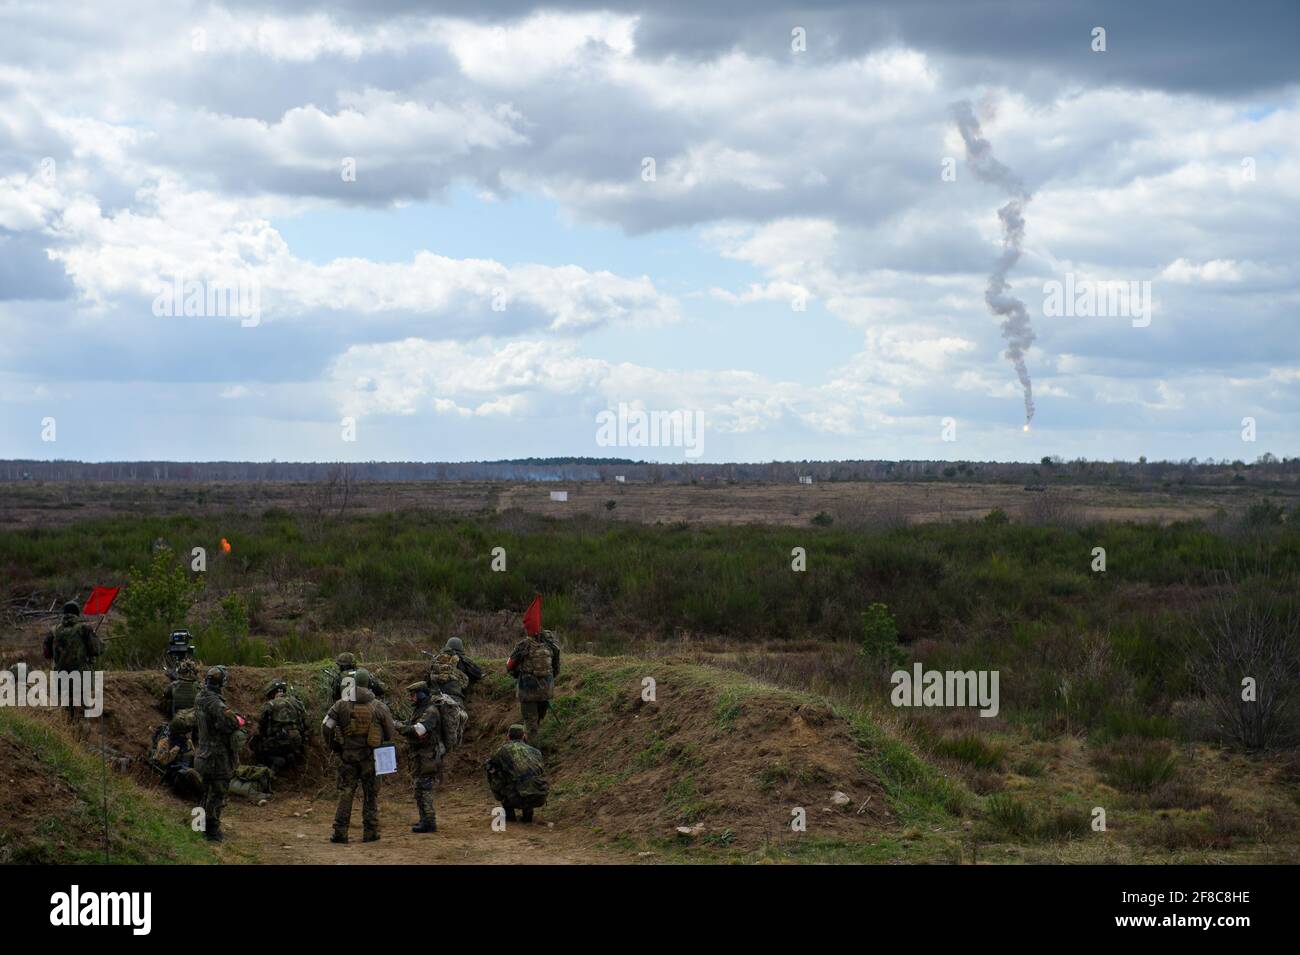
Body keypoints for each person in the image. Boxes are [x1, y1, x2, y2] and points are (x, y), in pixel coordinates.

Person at [321, 668, 396, 844]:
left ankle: (340, 833)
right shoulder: (379, 706)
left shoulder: (340, 704)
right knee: (371, 795)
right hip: (371, 759)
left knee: (345, 795)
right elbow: (390, 733)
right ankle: (370, 832)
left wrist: (336, 747)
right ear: (369, 684)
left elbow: (326, 727)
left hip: (348, 758)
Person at [194, 666, 243, 842]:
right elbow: (231, 723)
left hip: (202, 753)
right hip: (217, 757)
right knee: (217, 793)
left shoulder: (200, 697)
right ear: (221, 682)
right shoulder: (215, 703)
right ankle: (212, 831)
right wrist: (238, 719)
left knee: (203, 792)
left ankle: (197, 827)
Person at [395, 681, 443, 833]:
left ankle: (429, 821)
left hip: (427, 757)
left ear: (421, 695)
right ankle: (425, 819)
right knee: (419, 789)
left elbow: (418, 730)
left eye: (413, 695)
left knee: (424, 788)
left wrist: (396, 726)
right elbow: (410, 724)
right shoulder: (421, 710)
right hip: (420, 756)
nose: (411, 698)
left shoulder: (430, 711)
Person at [48, 601, 103, 720]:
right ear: (77, 614)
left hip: (60, 678)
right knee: (83, 714)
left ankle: (67, 737)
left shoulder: (54, 630)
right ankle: (81, 737)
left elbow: (46, 653)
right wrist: (100, 643)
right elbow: (96, 650)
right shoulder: (84, 628)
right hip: (82, 679)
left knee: (65, 714)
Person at [484, 724, 549, 823]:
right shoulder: (536, 751)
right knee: (527, 778)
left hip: (517, 797)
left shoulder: (503, 750)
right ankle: (527, 815)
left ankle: (509, 813)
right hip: (540, 795)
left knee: (493, 770)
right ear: (523, 736)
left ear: (508, 736)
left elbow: (490, 764)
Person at [506, 627, 560, 742]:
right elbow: (556, 670)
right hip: (546, 692)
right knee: (537, 720)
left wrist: (518, 675)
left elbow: (510, 666)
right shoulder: (552, 647)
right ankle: (530, 742)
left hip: (527, 691)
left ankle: (532, 753)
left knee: (531, 726)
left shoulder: (524, 645)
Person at [251, 678, 308, 771]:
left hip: (278, 742)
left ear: (272, 693)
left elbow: (261, 726)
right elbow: (306, 723)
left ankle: (274, 761)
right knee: (289, 746)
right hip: (296, 741)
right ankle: (290, 757)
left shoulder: (270, 705)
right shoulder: (297, 702)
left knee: (256, 745)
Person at [150, 716, 204, 799]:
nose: (187, 736)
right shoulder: (164, 742)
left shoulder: (187, 742)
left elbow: (192, 757)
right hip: (175, 775)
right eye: (184, 734)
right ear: (177, 733)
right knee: (188, 774)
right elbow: (163, 761)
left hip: (187, 770)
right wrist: (176, 748)